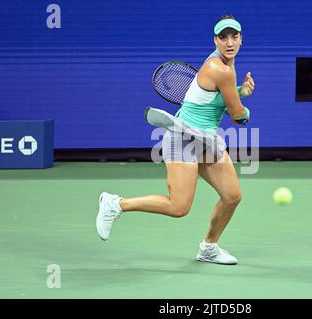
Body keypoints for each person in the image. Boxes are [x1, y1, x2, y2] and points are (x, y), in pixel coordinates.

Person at [96, 15, 255, 265]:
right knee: (179, 207)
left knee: (232, 195)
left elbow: (218, 99)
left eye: (234, 36)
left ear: (241, 39)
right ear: (215, 40)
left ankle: (209, 248)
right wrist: (244, 113)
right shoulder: (219, 68)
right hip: (183, 138)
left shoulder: (228, 66)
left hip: (206, 139)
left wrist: (239, 93)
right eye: (223, 37)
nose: (229, 42)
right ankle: (116, 204)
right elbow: (237, 115)